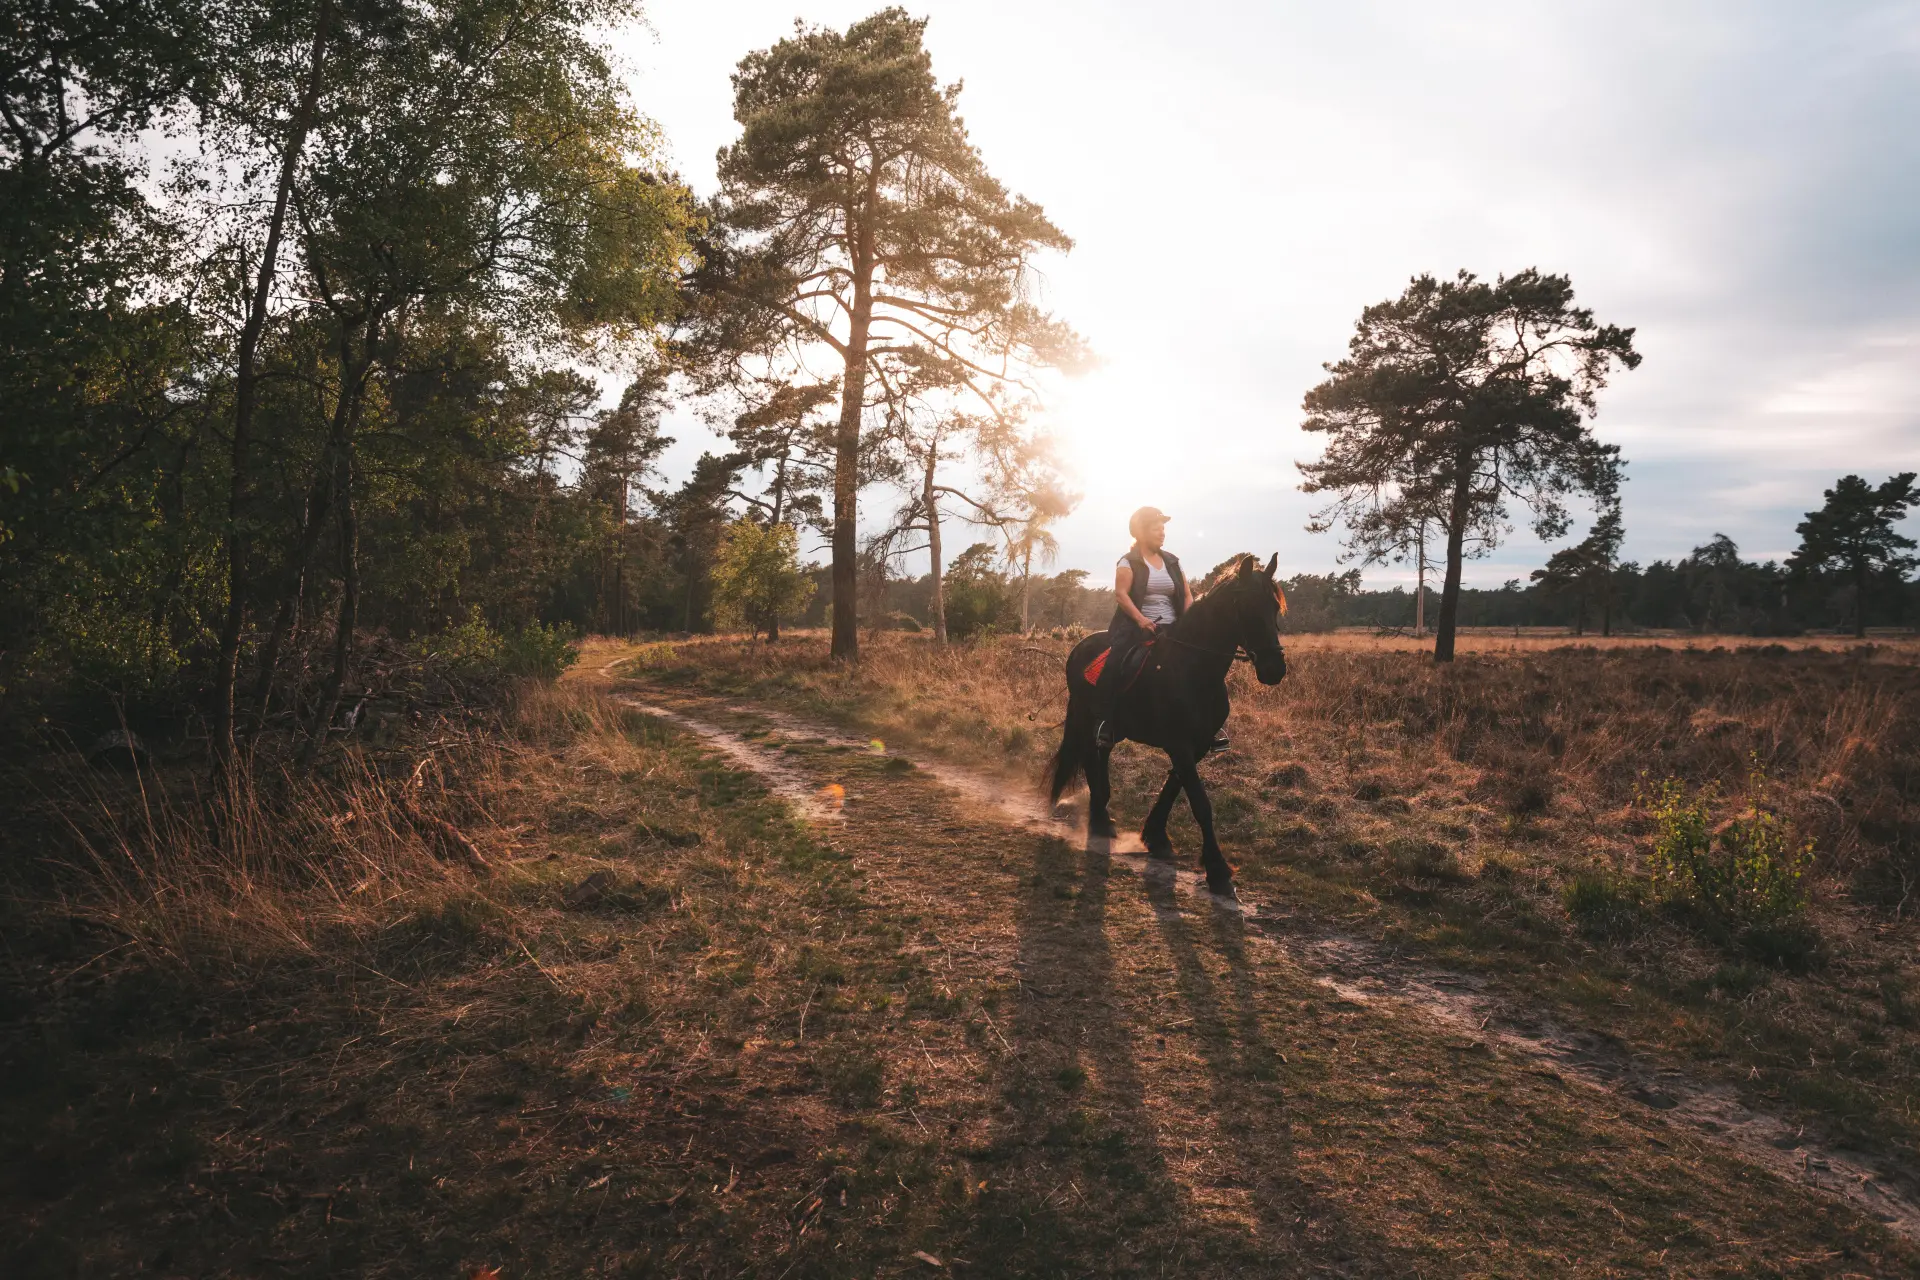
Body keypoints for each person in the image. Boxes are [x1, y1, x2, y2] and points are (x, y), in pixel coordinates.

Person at [1094, 506, 1197, 750]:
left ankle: (1210, 725)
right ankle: (1105, 722)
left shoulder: (1172, 561)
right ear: (1141, 533)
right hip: (1136, 629)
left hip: (1174, 629)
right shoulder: (1128, 562)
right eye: (1156, 528)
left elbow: (1187, 595)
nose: (1162, 533)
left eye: (1164, 528)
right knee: (1115, 664)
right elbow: (1121, 594)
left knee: (1201, 665)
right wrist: (1142, 620)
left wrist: (1188, 622)